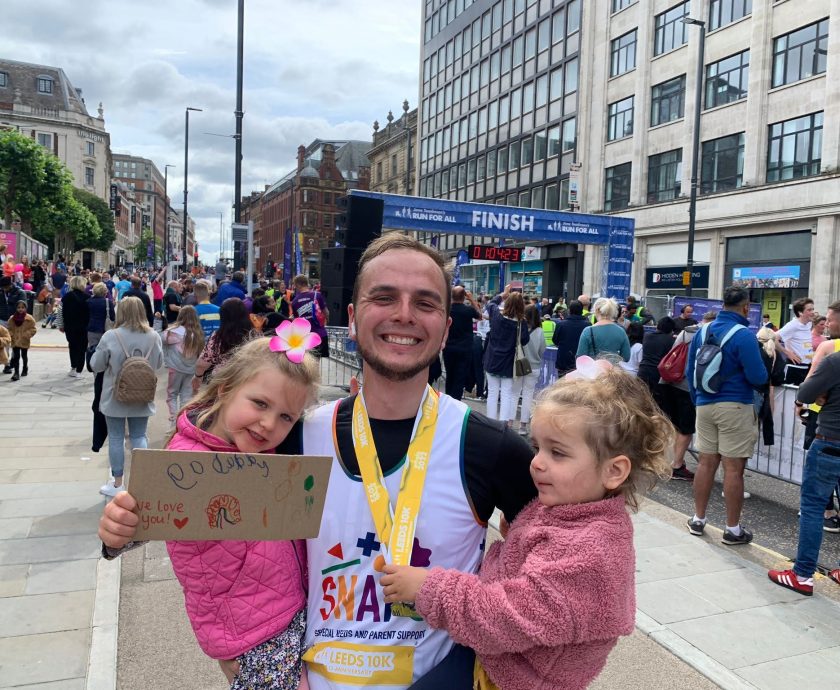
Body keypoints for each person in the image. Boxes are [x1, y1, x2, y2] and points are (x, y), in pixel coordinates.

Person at [100, 234, 538, 689]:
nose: (403, 314)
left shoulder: (490, 447)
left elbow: (574, 553)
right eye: (384, 297)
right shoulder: (295, 435)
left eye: (424, 303)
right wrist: (123, 528)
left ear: (446, 327)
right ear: (351, 317)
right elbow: (200, 502)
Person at [380, 364, 672, 690]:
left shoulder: (590, 551)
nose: (537, 462)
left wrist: (428, 589)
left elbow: (506, 617)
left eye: (557, 453)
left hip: (509, 679)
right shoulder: (572, 510)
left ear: (614, 471)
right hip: (496, 660)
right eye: (537, 447)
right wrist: (519, 540)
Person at [686, 285, 767, 545]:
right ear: (746, 307)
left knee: (705, 463)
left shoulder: (703, 331)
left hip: (704, 404)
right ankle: (732, 529)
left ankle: (698, 519)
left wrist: (697, 400)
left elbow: (690, 372)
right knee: (733, 469)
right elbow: (758, 377)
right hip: (735, 405)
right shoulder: (744, 335)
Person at [769, 337, 840, 595]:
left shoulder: (834, 360)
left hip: (831, 440)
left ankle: (802, 574)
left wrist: (825, 394)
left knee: (812, 507)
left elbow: (805, 393)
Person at [90, 296, 163, 497]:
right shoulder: (153, 336)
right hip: (142, 394)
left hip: (115, 396)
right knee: (139, 436)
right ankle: (142, 481)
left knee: (116, 437)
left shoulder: (111, 336)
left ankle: (117, 484)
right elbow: (158, 364)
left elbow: (96, 365)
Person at [483, 290, 530, 423]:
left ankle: (491, 422)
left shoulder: (496, 315)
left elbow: (491, 303)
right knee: (506, 393)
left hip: (492, 359)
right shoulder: (521, 323)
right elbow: (524, 340)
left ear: (507, 302)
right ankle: (503, 423)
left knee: (492, 392)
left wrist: (502, 294)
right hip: (509, 362)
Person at [194, 298, 255, 387]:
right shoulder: (254, 335)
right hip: (247, 380)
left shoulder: (218, 337)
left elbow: (203, 362)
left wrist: (198, 376)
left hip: (222, 381)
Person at [160, 305, 204, 424]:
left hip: (174, 369)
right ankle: (183, 422)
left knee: (172, 395)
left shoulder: (172, 332)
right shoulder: (198, 334)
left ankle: (174, 421)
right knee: (186, 396)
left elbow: (161, 339)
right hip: (191, 370)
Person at [442, 286, 482, 400]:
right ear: (464, 296)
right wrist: (472, 300)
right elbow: (480, 316)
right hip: (465, 349)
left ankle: (447, 400)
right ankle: (455, 401)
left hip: (449, 348)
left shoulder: (447, 309)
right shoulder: (468, 310)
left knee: (450, 375)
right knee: (460, 377)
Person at [512, 304, 545, 435]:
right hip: (534, 367)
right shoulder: (540, 332)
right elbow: (542, 350)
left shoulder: (519, 328)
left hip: (519, 364)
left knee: (513, 394)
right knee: (527, 396)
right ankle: (523, 426)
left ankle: (509, 423)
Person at [576, 297, 631, 364]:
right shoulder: (621, 331)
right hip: (613, 372)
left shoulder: (588, 331)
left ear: (597, 310)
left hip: (593, 372)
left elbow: (580, 357)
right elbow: (626, 357)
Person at [777, 297, 816, 384]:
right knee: (791, 396)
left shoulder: (809, 324)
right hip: (794, 367)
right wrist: (787, 352)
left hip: (807, 367)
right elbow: (773, 338)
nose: (813, 312)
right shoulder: (792, 325)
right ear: (800, 312)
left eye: (813, 309)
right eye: (809, 310)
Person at [636, 316, 676, 401]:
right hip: (658, 375)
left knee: (641, 399)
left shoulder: (647, 336)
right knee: (657, 402)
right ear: (670, 330)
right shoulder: (671, 340)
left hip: (643, 371)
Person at [291, 275, 329, 358]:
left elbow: (297, 321)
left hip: (305, 338)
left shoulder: (294, 301)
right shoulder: (317, 295)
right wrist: (324, 324)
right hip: (320, 334)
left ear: (297, 285)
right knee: (317, 362)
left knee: (308, 363)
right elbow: (326, 312)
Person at [60, 275, 91, 378]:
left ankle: (73, 367)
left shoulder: (67, 297)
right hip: (84, 327)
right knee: (82, 348)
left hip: (70, 326)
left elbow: (61, 312)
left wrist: (61, 325)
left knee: (72, 346)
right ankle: (79, 369)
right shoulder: (87, 297)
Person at [552, 299, 590, 377]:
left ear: (570, 311)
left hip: (564, 361)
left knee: (562, 386)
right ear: (581, 310)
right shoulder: (588, 325)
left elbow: (555, 340)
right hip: (581, 362)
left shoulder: (561, 325)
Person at [7, 300, 36, 381]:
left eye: (22, 307)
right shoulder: (12, 318)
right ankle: (16, 373)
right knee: (16, 356)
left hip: (24, 340)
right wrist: (11, 335)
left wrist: (27, 335)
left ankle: (25, 368)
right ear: (16, 308)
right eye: (19, 307)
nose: (20, 309)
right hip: (15, 340)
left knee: (24, 355)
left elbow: (33, 329)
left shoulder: (29, 318)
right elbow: (9, 328)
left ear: (25, 308)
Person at [87, 282, 115, 349]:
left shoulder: (88, 301)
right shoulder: (108, 302)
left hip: (92, 329)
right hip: (105, 329)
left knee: (92, 349)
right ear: (105, 292)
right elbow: (112, 317)